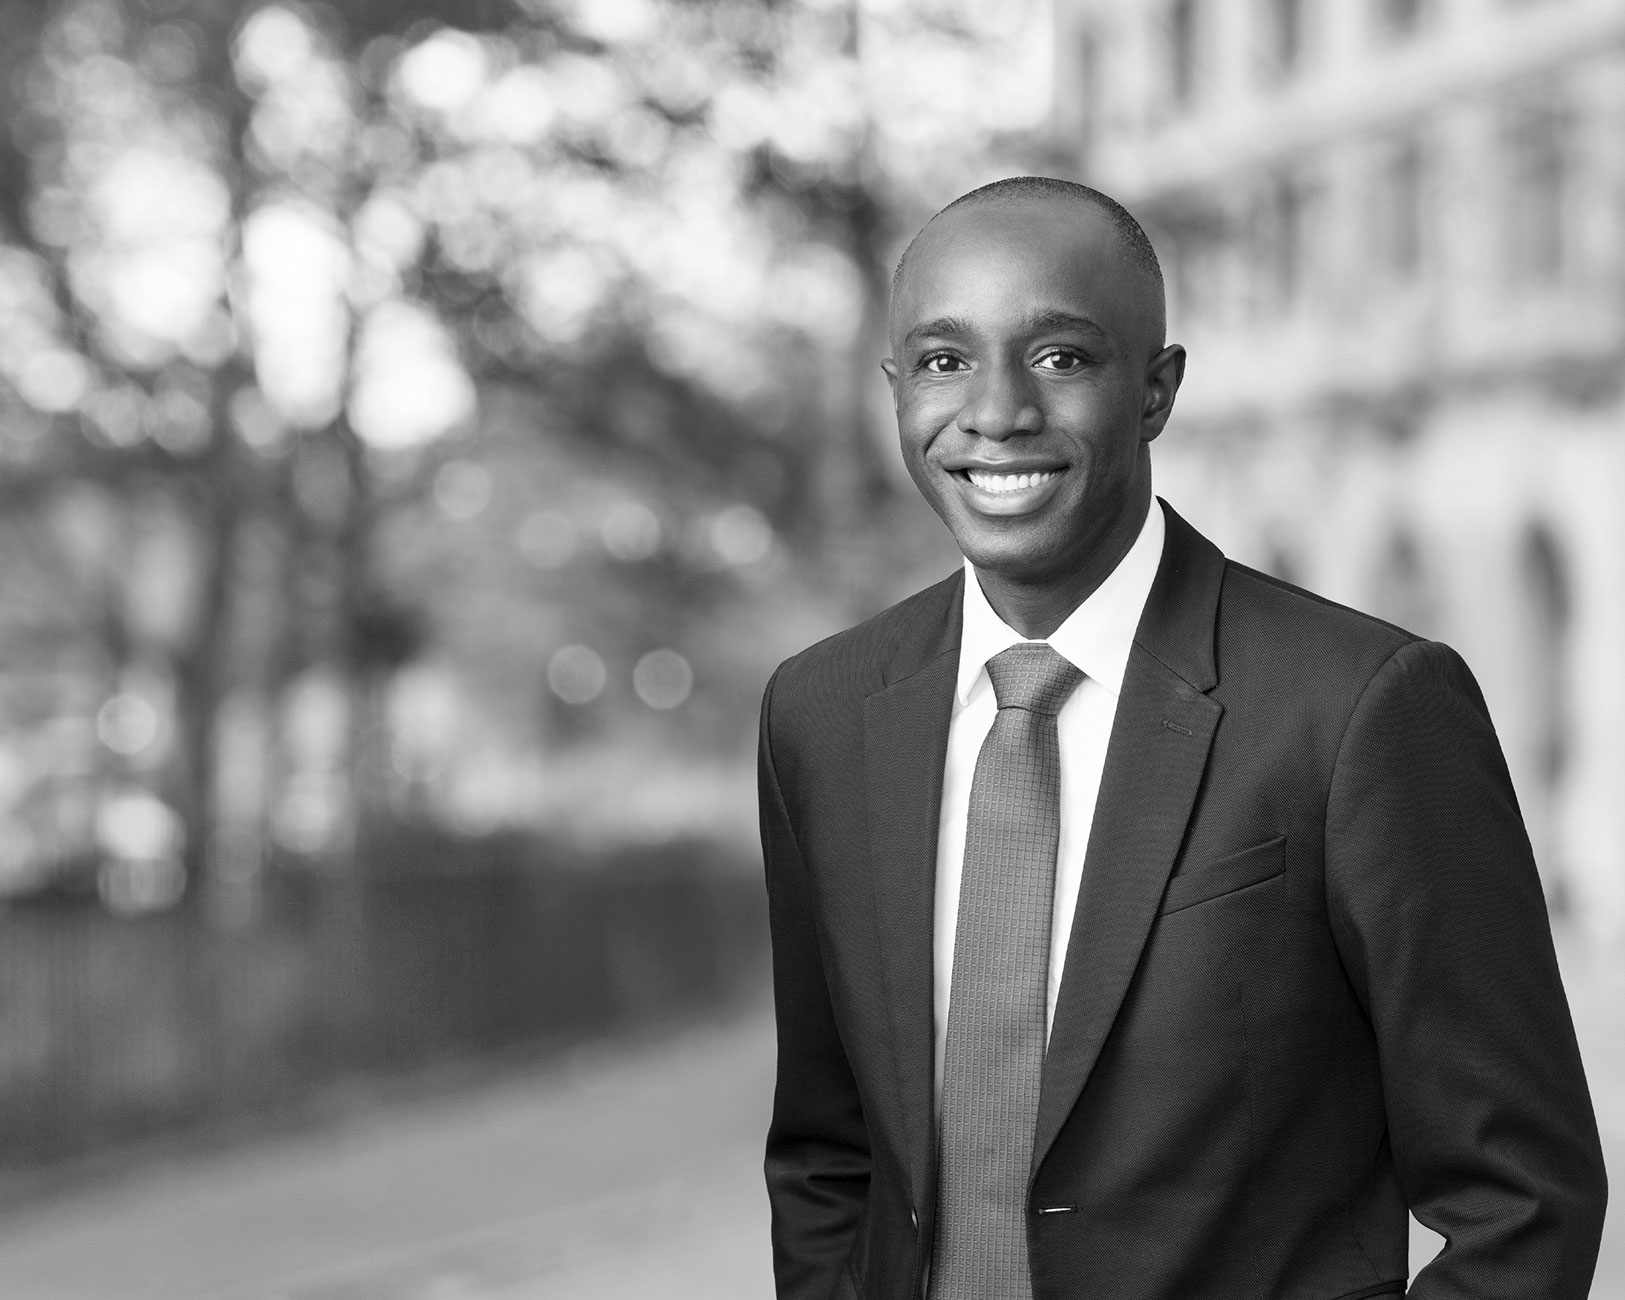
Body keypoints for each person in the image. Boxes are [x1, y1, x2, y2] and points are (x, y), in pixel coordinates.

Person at [757, 176, 1606, 1300]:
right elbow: (826, 1156)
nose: (996, 411)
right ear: (896, 389)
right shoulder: (819, 712)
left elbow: (1522, 1198)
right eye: (944, 360)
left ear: (1155, 390)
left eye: (1060, 357)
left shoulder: (1361, 705)